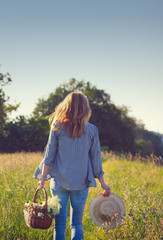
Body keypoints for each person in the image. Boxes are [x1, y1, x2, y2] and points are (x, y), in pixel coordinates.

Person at [33, 92, 111, 240]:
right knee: (76, 224)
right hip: (81, 183)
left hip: (58, 182)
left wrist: (42, 178)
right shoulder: (92, 130)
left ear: (66, 106)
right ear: (85, 108)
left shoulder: (57, 126)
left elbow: (49, 155)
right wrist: (103, 183)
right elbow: (96, 158)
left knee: (60, 225)